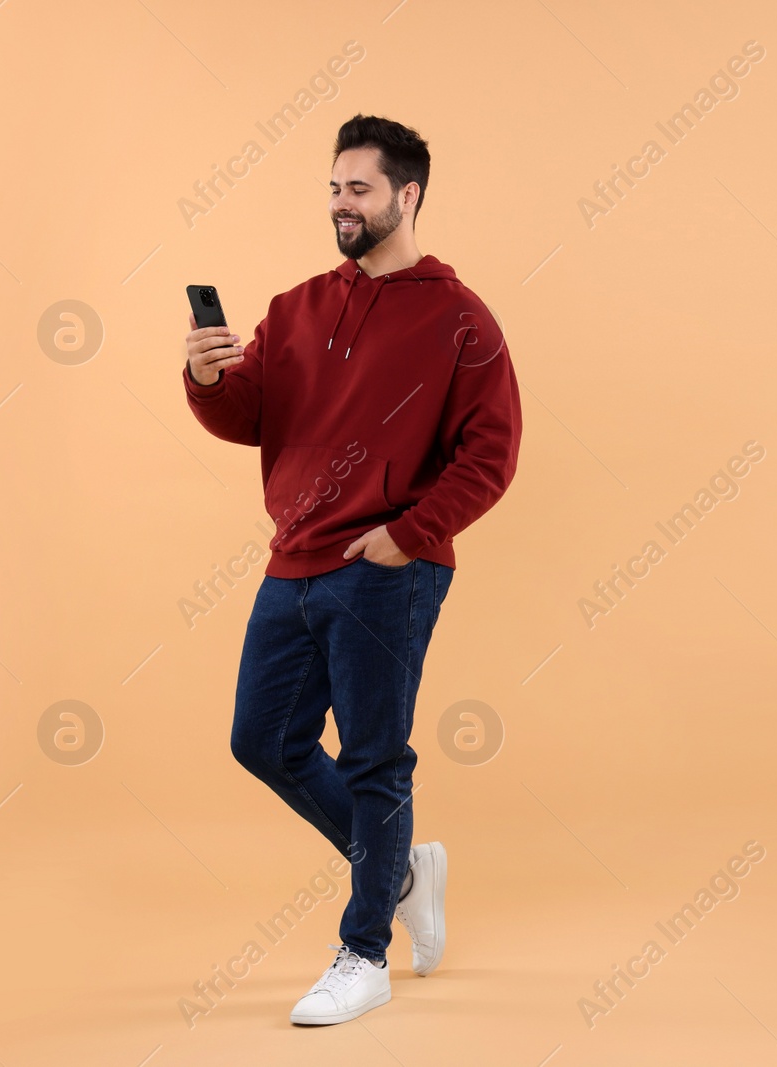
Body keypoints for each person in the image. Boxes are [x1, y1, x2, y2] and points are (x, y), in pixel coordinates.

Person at [180, 114, 521, 1026]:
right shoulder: (296, 308)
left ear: (407, 196)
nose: (340, 203)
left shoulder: (459, 317)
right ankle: (403, 870)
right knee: (265, 741)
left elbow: (493, 453)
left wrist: (409, 535)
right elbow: (251, 415)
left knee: (375, 759)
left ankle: (364, 949)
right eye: (333, 187)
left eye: (359, 188)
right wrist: (209, 379)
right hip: (293, 560)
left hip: (385, 568)